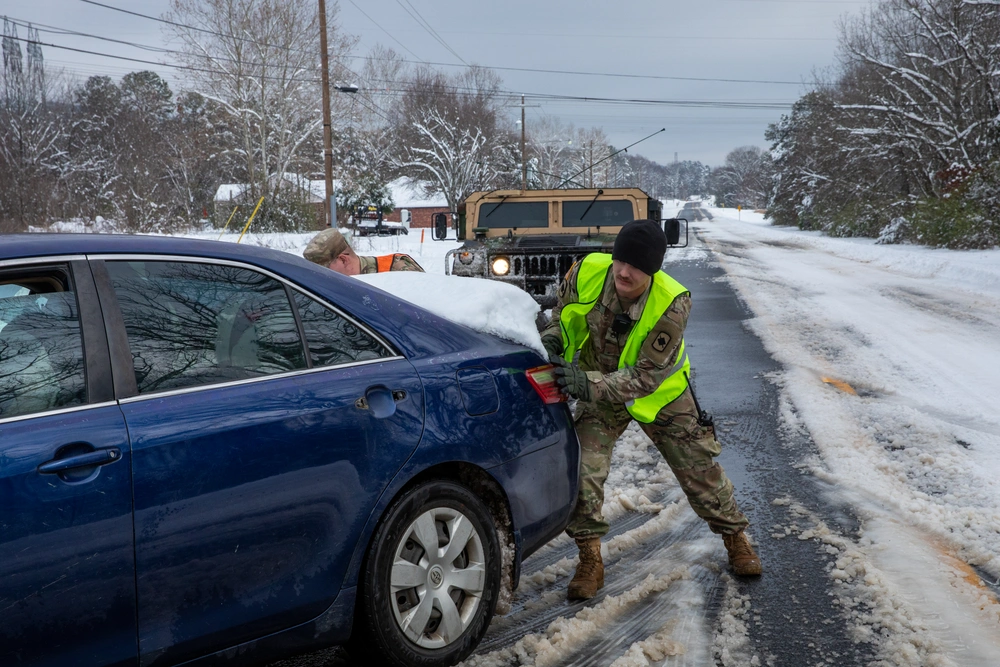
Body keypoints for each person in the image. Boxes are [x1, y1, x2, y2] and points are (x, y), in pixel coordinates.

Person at [540, 218, 761, 600]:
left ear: (654, 269)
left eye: (637, 267)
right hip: (599, 389)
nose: (625, 272)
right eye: (621, 261)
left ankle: (736, 538)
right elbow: (564, 317)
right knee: (583, 470)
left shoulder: (673, 303)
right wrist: (553, 339)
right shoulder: (586, 272)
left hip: (659, 395)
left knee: (700, 470)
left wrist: (583, 384)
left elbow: (645, 377)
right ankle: (590, 558)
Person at [303, 228, 424, 275]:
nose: (322, 276)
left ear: (344, 260)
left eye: (325, 270)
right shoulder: (337, 286)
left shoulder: (399, 269)